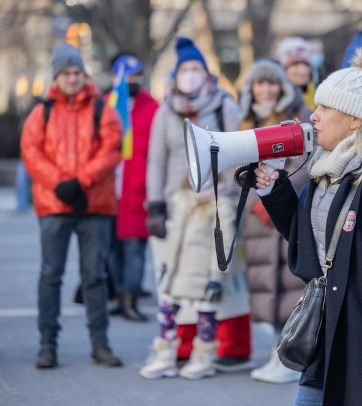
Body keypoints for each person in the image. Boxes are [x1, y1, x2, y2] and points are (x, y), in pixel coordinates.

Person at [255, 43, 362, 405]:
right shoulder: (325, 169)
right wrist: (274, 191)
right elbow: (309, 243)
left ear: (355, 118)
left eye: (325, 107)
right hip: (326, 337)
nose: (313, 116)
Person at [145, 37, 252, 372]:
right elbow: (156, 161)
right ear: (175, 75)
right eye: (184, 70)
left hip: (214, 206)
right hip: (177, 206)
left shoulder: (223, 105)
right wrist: (155, 205)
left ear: (207, 74)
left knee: (211, 278)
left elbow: (239, 155)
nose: (190, 75)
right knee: (173, 279)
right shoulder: (165, 112)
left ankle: (209, 349)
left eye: (196, 69)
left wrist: (227, 191)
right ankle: (172, 348)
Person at [21, 42, 123, 369]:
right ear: (57, 75)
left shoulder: (102, 110)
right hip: (53, 206)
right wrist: (60, 184)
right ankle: (46, 345)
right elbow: (31, 152)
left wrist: (80, 182)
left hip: (95, 205)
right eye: (67, 72)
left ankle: (100, 344)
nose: (73, 78)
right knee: (50, 276)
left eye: (78, 72)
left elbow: (111, 150)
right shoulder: (41, 113)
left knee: (94, 277)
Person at [237, 58, 311, 384]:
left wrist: (278, 195)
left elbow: (306, 164)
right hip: (257, 216)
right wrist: (257, 199)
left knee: (290, 285)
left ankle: (291, 355)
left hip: (285, 209)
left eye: (272, 83)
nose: (266, 90)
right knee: (266, 286)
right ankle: (275, 350)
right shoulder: (245, 120)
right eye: (259, 83)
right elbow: (236, 169)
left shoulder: (298, 115)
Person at [139, 173, 242, 379]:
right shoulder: (182, 198)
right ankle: (165, 357)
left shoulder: (221, 202)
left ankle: (203, 359)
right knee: (167, 311)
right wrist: (167, 265)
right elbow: (174, 237)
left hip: (203, 272)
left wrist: (217, 276)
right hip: (178, 271)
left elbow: (224, 244)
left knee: (205, 316)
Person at [106, 54, 159, 321]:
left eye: (137, 76)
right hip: (110, 191)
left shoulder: (153, 108)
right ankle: (118, 294)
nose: (133, 81)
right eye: (128, 77)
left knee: (134, 249)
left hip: (138, 191)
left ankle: (130, 298)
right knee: (111, 249)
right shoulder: (106, 105)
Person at [276, 37, 317, 110]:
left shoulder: (318, 95)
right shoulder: (275, 101)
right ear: (283, 70)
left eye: (306, 64)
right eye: (295, 65)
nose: (303, 71)